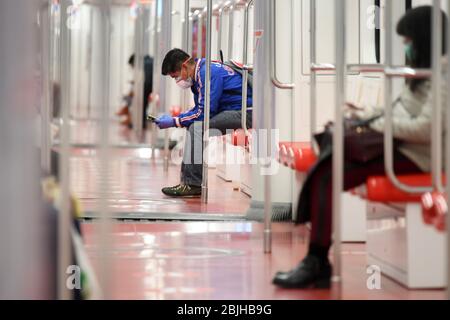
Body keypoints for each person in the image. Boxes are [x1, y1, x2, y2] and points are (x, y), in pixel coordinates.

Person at [272, 6, 447, 289]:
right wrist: (363, 113)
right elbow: (399, 110)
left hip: (421, 156)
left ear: (424, 38)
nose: (407, 48)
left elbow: (425, 128)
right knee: (326, 169)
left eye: (409, 42)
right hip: (400, 147)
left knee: (329, 169)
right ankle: (316, 259)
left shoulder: (443, 76)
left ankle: (316, 261)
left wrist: (380, 126)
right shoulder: (423, 72)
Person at [156, 48, 253, 197]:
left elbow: (204, 113)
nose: (177, 81)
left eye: (175, 76)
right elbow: (200, 109)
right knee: (194, 125)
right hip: (233, 110)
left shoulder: (207, 73)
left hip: (247, 112)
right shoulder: (200, 73)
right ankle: (187, 182)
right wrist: (181, 118)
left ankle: (193, 184)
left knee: (197, 128)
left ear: (184, 66)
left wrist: (175, 121)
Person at [117, 54, 154, 129]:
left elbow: (147, 80)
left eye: (132, 66)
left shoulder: (146, 63)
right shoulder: (147, 61)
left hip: (147, 87)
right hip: (149, 87)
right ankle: (139, 121)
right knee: (143, 106)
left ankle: (140, 123)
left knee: (142, 105)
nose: (133, 68)